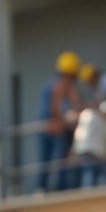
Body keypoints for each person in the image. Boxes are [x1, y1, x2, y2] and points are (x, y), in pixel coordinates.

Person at [37, 51, 81, 192]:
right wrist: (68, 118)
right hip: (54, 129)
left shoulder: (55, 84)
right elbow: (55, 109)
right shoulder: (59, 86)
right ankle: (54, 188)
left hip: (51, 129)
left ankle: (43, 188)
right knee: (57, 160)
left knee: (50, 161)